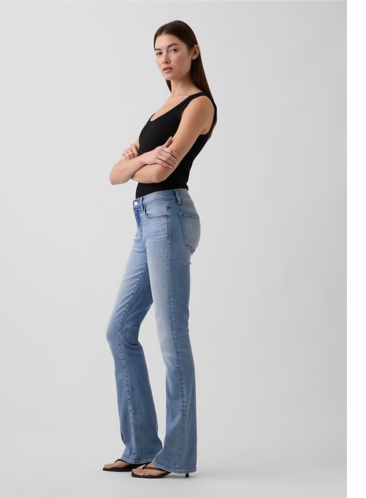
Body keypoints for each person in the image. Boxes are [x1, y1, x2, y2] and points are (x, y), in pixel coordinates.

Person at [103, 20, 218, 479]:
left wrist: (139, 162)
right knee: (119, 330)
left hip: (170, 216)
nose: (164, 59)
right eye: (157, 52)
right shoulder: (158, 112)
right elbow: (114, 174)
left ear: (193, 52)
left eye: (173, 49)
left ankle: (176, 455)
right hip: (147, 220)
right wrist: (141, 160)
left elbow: (158, 173)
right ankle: (140, 445)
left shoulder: (198, 104)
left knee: (172, 338)